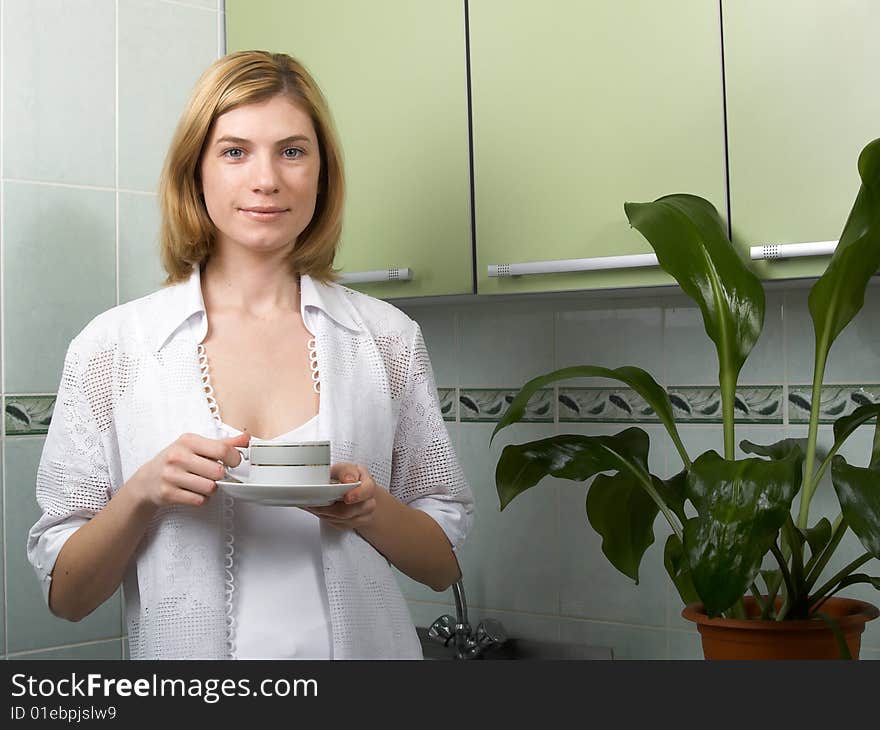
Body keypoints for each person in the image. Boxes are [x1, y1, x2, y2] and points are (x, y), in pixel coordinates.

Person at [26, 50, 474, 660]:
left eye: (292, 151)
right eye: (235, 151)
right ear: (196, 172)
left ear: (322, 172)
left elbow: (441, 565)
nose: (267, 179)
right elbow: (68, 599)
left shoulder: (388, 339)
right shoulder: (113, 348)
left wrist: (370, 508)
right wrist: (141, 493)